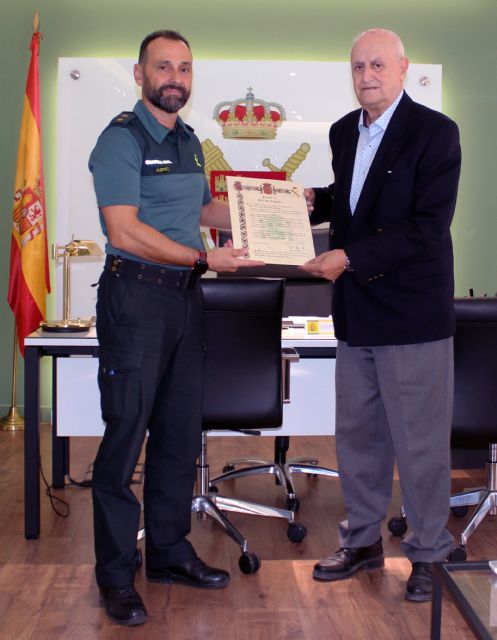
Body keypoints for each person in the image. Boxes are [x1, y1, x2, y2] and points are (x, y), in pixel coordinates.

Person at [88, 30, 263, 627]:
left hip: (187, 305)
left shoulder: (189, 141)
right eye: (163, 66)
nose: (175, 77)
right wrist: (204, 258)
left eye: (184, 68)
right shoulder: (120, 138)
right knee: (124, 440)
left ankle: (166, 552)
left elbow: (202, 211)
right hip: (136, 301)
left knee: (178, 434)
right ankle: (115, 575)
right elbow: (124, 231)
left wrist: (265, 209)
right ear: (139, 74)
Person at [301, 28, 461, 602]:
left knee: (419, 444)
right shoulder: (345, 131)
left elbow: (426, 228)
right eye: (357, 66)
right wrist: (311, 200)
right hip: (357, 310)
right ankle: (363, 540)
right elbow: (353, 198)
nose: (366, 75)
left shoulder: (436, 133)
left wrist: (348, 257)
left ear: (402, 69)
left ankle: (427, 553)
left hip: (412, 316)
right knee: (359, 437)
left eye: (377, 65)